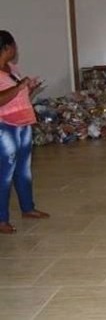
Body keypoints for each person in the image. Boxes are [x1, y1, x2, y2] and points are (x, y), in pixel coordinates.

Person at [0, 30, 50, 234]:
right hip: (5, 127)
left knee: (24, 170)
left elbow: (18, 95)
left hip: (23, 124)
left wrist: (28, 88)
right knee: (4, 174)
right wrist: (19, 86)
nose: (16, 49)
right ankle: (1, 219)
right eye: (14, 45)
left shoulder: (12, 68)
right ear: (5, 47)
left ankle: (27, 207)